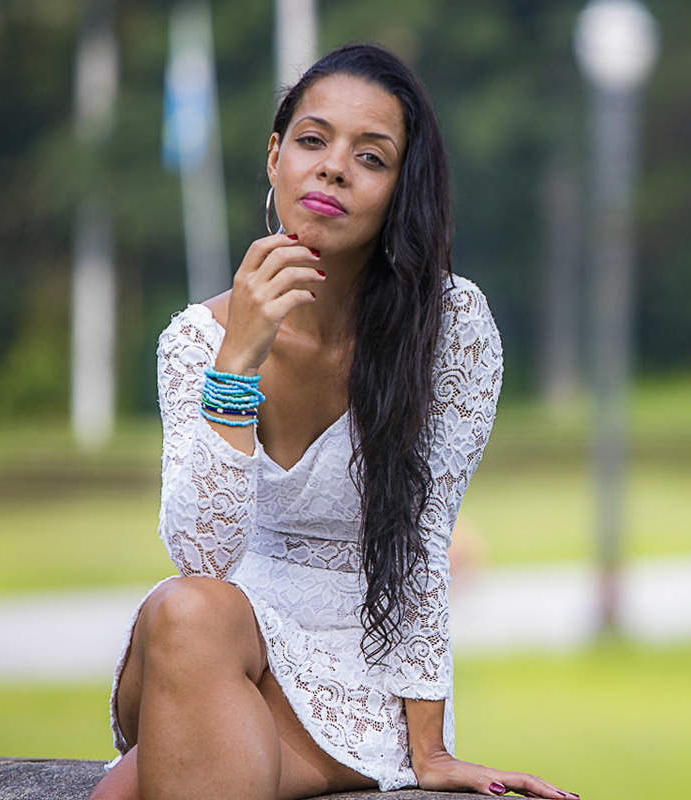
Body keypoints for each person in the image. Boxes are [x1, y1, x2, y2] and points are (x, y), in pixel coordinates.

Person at [89, 43, 576, 800]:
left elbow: (421, 543)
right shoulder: (196, 341)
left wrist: (431, 749)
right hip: (220, 644)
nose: (334, 168)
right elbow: (201, 555)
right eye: (313, 141)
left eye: (371, 157)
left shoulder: (450, 329)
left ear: (397, 191)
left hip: (360, 668)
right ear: (276, 157)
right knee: (189, 607)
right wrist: (238, 361)